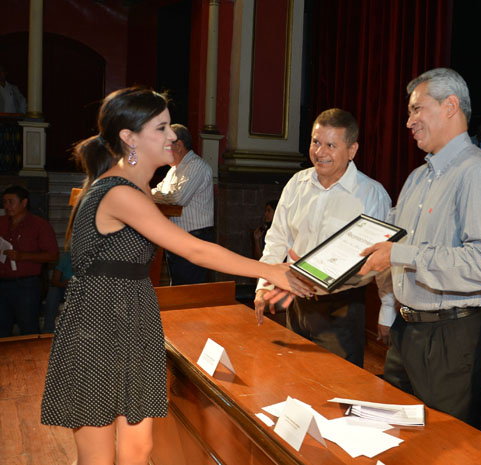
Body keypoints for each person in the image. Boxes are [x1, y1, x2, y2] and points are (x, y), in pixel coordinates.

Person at [40, 87, 311, 465]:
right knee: (98, 458)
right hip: (99, 324)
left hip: (133, 316)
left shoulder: (137, 186)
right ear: (130, 138)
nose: (173, 136)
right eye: (161, 128)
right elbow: (194, 249)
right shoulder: (118, 191)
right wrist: (269, 270)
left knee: (139, 451)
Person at [359, 68, 481, 430]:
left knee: (446, 445)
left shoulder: (478, 174)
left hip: (451, 339)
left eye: (417, 109)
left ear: (450, 106)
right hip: (406, 331)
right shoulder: (418, 178)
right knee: (394, 436)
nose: (409, 121)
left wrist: (399, 255)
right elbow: (390, 240)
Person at [255, 108, 391, 368]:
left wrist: (387, 309)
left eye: (331, 145)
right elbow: (277, 238)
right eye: (316, 142)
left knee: (337, 384)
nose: (320, 152)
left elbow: (383, 260)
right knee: (293, 377)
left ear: (352, 150)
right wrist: (264, 285)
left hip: (341, 308)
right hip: (297, 301)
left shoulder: (372, 195)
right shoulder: (297, 184)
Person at [151, 124, 214, 285]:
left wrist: (150, 195)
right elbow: (157, 191)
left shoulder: (196, 165)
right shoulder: (173, 170)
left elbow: (179, 198)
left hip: (194, 237)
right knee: (178, 287)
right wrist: (150, 194)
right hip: (177, 237)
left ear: (179, 145)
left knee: (189, 290)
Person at [0, 185, 58, 336]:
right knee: (2, 329)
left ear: (24, 202)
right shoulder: (2, 222)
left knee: (28, 328)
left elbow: (53, 255)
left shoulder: (39, 225)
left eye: (11, 202)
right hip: (2, 283)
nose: (7, 206)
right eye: (4, 202)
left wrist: (22, 256)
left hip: (26, 286)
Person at [41, 251, 73, 334]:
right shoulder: (65, 258)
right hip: (63, 288)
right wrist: (64, 284)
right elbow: (54, 281)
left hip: (80, 289)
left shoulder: (89, 258)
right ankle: (48, 330)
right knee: (53, 291)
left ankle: (70, 331)